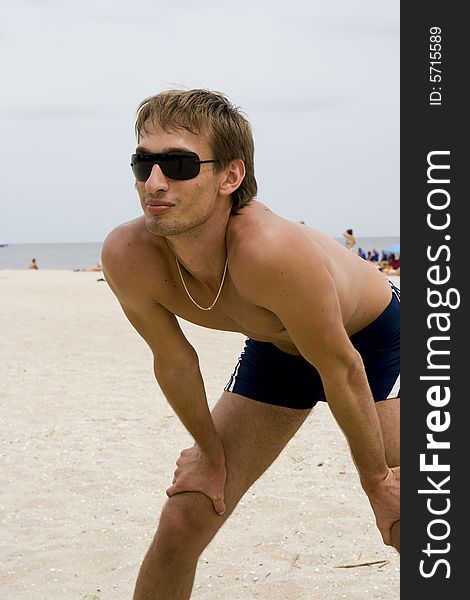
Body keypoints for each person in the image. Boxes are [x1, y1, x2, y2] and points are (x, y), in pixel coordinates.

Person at [102, 89, 400, 600]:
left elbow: (343, 367)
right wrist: (210, 454)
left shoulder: (271, 252)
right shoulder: (128, 255)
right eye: (143, 162)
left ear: (230, 177)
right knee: (182, 523)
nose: (154, 182)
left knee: (411, 518)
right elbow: (174, 362)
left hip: (375, 343)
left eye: (177, 164)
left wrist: (375, 482)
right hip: (279, 352)